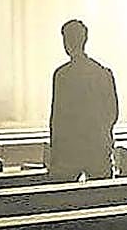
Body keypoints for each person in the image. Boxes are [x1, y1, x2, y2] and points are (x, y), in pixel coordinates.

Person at [48, 19, 119, 181]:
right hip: (98, 149)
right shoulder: (103, 73)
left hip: (69, 153)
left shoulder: (62, 75)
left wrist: (54, 153)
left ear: (66, 43)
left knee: (64, 200)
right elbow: (113, 114)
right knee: (102, 197)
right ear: (84, 40)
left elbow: (57, 118)